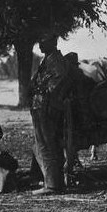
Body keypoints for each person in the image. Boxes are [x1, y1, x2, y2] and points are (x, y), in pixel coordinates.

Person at [28, 33, 69, 195]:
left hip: (47, 107)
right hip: (41, 106)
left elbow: (55, 85)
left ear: (53, 42)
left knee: (47, 144)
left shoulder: (56, 61)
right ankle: (52, 182)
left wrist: (39, 89)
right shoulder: (48, 60)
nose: (40, 45)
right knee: (45, 143)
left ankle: (52, 185)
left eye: (43, 42)